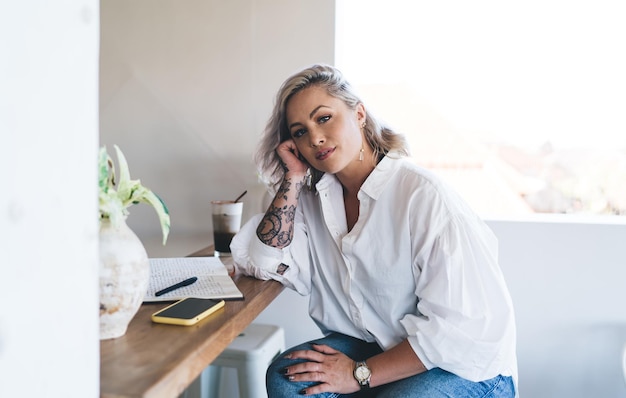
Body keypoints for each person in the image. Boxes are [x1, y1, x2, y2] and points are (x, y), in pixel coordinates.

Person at [230, 64, 518, 397]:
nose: (315, 138)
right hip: (375, 343)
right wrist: (294, 176)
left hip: (464, 364)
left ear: (359, 114)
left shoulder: (423, 196)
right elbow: (264, 261)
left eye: (323, 118)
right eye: (299, 132)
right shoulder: (311, 199)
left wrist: (358, 374)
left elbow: (459, 331)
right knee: (287, 378)